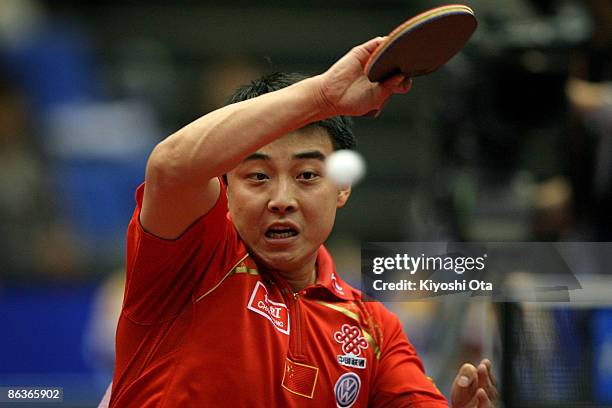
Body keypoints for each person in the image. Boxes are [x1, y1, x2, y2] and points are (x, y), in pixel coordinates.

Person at [107, 37, 498, 407]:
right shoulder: (192, 259)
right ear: (225, 185)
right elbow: (171, 165)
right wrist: (322, 96)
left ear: (341, 188)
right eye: (257, 176)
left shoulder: (374, 330)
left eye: (307, 175)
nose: (281, 200)